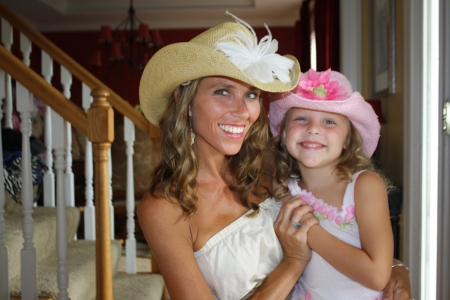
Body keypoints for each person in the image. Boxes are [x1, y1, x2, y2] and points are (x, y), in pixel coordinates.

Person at [137, 12, 412, 300]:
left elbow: (346, 228)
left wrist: (396, 269)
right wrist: (293, 262)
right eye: (222, 91)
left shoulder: (268, 163)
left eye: (252, 94)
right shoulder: (164, 208)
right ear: (186, 101)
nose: (242, 111)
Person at [268, 68, 394, 299]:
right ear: (284, 134)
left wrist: (308, 229)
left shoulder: (363, 186)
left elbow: (377, 275)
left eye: (328, 121)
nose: (313, 128)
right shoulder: (283, 189)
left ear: (347, 140)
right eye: (301, 119)